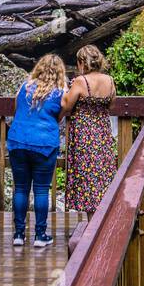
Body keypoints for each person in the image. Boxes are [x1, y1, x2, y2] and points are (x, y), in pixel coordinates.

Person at [6, 54, 66, 248]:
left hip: (18, 140)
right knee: (41, 189)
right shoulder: (60, 92)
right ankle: (40, 235)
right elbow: (60, 116)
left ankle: (19, 234)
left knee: (21, 188)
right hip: (44, 143)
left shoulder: (25, 86)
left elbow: (16, 109)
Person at [61, 45, 117, 220]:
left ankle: (92, 222)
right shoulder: (109, 80)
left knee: (86, 177)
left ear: (82, 62)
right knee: (102, 173)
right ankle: (102, 217)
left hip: (85, 134)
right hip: (103, 132)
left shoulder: (80, 81)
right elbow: (111, 105)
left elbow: (67, 105)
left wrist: (64, 91)